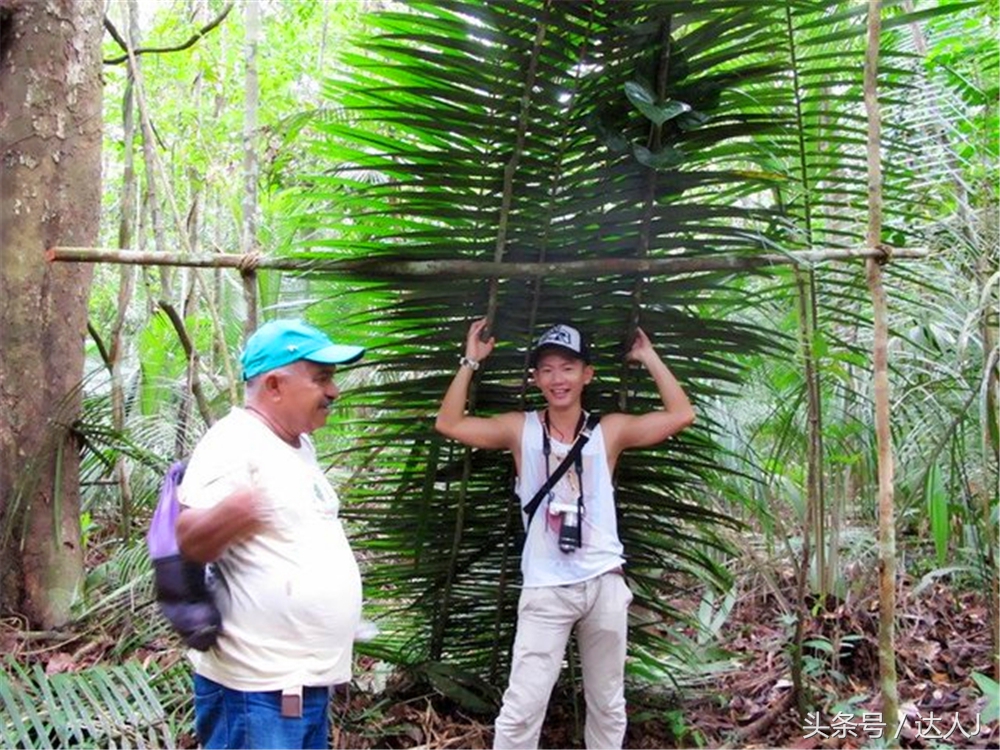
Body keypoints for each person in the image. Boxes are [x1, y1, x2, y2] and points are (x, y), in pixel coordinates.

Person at [435, 319, 695, 750]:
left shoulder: (609, 431)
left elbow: (681, 415)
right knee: (522, 706)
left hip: (604, 584)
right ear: (535, 378)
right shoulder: (520, 429)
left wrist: (648, 356)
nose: (559, 379)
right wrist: (470, 362)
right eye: (548, 369)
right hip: (546, 589)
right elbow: (450, 423)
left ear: (587, 374)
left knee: (608, 704)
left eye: (569, 367)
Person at [176, 318, 366, 750]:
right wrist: (231, 514)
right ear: (275, 386)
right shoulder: (233, 441)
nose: (333, 391)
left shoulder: (297, 444)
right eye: (321, 378)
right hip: (254, 692)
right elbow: (186, 538)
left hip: (299, 684)